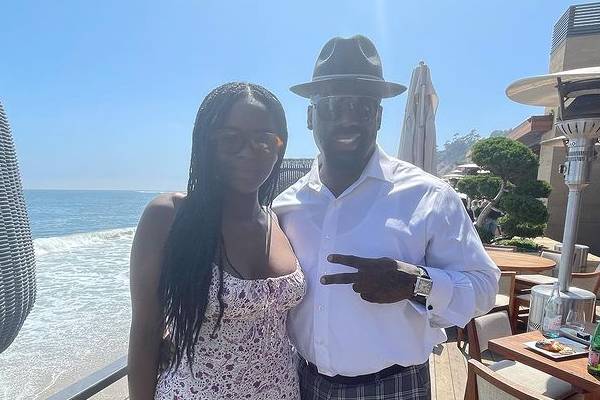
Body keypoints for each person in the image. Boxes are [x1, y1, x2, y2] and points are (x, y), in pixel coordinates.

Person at [274, 35, 500, 400]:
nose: (347, 118)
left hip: (394, 387)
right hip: (305, 383)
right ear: (310, 117)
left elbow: (484, 288)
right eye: (331, 106)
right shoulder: (286, 207)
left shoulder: (428, 195)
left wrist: (416, 284)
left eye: (362, 107)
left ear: (378, 117)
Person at [128, 82, 305, 400]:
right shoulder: (169, 216)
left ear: (279, 147)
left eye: (264, 139)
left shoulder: (280, 221)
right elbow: (145, 334)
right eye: (230, 139)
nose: (248, 152)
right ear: (207, 144)